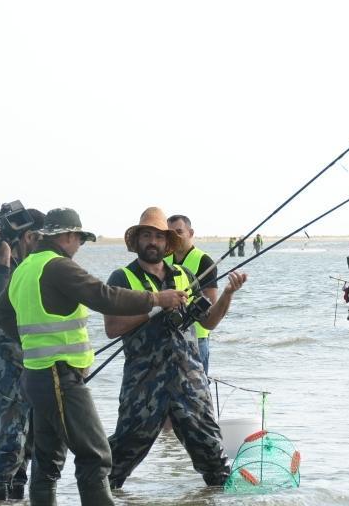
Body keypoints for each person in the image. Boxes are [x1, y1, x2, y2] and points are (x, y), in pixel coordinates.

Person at [0, 207, 169, 506]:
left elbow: (0, 313)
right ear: (68, 236)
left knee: (47, 461)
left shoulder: (25, 267)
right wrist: (156, 298)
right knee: (97, 455)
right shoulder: (59, 266)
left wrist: (33, 340)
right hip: (59, 375)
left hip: (37, 376)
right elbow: (104, 296)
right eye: (79, 240)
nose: (79, 247)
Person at [104, 207, 247, 489]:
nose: (153, 242)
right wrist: (157, 302)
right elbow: (113, 328)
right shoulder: (121, 278)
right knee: (117, 463)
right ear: (136, 242)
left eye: (159, 237)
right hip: (143, 384)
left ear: (167, 243)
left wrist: (228, 295)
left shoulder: (185, 274)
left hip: (190, 383)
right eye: (147, 235)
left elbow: (210, 321)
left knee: (216, 462)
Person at [0, 207, 45, 501]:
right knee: (7, 427)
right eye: (40, 238)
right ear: (28, 237)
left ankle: (18, 486)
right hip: (6, 363)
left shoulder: (36, 267)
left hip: (34, 359)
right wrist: (2, 260)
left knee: (30, 431)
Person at [164, 213, 219, 374]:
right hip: (169, 335)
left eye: (179, 232)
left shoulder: (204, 261)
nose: (175, 237)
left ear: (191, 233)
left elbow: (211, 302)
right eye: (170, 233)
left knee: (197, 390)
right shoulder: (164, 259)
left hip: (197, 338)